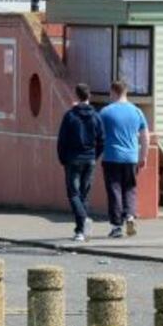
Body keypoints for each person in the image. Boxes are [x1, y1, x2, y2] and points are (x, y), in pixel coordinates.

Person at [100, 81, 150, 239]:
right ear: (126, 92)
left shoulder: (106, 112)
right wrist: (144, 156)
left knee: (114, 190)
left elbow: (98, 135)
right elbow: (145, 136)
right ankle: (129, 216)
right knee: (129, 188)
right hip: (131, 157)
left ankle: (116, 227)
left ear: (113, 92)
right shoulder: (137, 111)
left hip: (111, 157)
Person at [57, 83, 104, 242]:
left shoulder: (70, 116)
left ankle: (82, 222)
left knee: (73, 193)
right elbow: (101, 140)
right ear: (89, 96)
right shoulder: (96, 116)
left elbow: (62, 140)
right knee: (83, 194)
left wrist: (62, 158)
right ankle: (80, 231)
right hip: (89, 158)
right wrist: (94, 156)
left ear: (76, 96)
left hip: (73, 159)